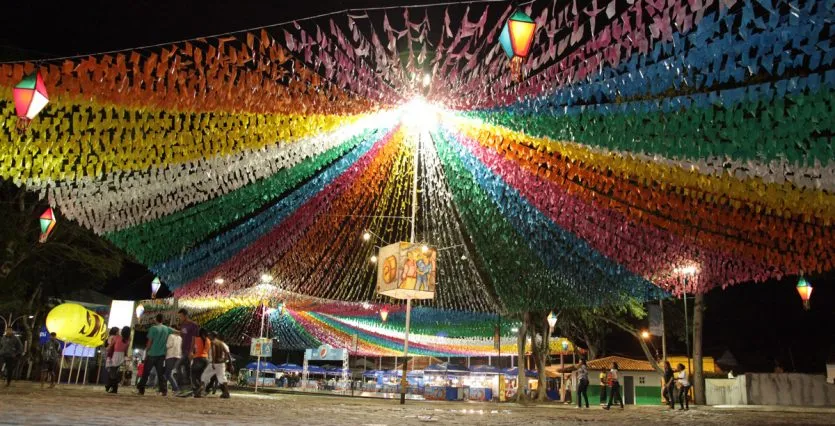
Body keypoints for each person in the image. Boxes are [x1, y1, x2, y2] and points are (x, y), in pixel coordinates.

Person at [136, 314, 176, 396]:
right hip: (161, 355)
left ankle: (141, 390)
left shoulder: (153, 328)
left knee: (146, 373)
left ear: (156, 319)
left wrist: (146, 352)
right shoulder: (167, 329)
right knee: (160, 374)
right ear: (162, 320)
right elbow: (177, 332)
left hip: (152, 354)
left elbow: (150, 342)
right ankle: (164, 390)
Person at [201, 332, 231, 399]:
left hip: (215, 363)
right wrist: (225, 360)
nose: (208, 336)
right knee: (221, 378)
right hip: (221, 363)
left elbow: (214, 353)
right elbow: (227, 353)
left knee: (204, 376)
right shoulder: (221, 343)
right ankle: (226, 393)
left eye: (209, 335)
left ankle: (201, 391)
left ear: (212, 336)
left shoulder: (213, 342)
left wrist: (214, 362)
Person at [176, 309, 199, 388]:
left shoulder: (193, 325)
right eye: (179, 316)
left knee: (178, 366)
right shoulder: (183, 325)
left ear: (186, 315)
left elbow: (194, 338)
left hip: (189, 350)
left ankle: (182, 385)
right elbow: (182, 336)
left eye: (181, 316)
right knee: (187, 369)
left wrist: (191, 351)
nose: (180, 318)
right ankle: (190, 387)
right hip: (183, 349)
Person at [106, 327, 131, 394]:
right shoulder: (128, 339)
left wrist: (107, 349)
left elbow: (111, 346)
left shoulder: (117, 337)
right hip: (121, 355)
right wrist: (126, 356)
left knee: (112, 372)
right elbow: (126, 349)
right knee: (113, 371)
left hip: (115, 355)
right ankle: (110, 387)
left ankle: (113, 387)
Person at [189, 328, 211, 398]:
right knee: (201, 376)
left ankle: (198, 389)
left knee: (193, 375)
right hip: (206, 360)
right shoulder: (208, 340)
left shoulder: (196, 339)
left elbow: (193, 349)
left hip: (198, 359)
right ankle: (200, 390)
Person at [164, 324, 182, 393]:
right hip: (177, 356)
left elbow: (169, 345)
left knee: (167, 374)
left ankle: (175, 388)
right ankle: (164, 388)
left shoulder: (171, 336)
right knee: (168, 373)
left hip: (170, 356)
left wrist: (164, 344)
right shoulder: (180, 338)